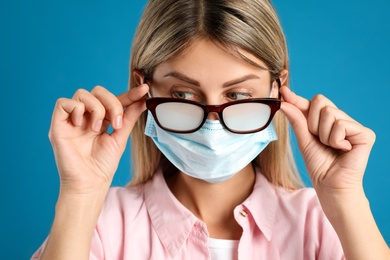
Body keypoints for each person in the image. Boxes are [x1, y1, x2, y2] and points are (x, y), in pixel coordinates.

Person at [32, 0, 389, 259]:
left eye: (237, 95)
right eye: (183, 94)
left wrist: (345, 198)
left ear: (277, 88)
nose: (212, 122)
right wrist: (80, 195)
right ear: (144, 86)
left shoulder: (324, 222)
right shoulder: (101, 224)